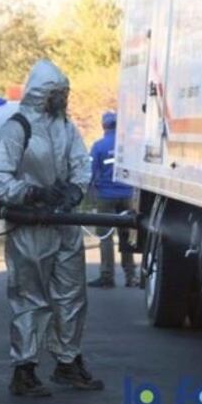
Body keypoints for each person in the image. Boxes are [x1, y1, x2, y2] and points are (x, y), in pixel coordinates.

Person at [0, 59, 103, 396]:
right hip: (30, 228)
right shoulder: (17, 128)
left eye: (65, 92)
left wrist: (75, 190)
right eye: (57, 92)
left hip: (64, 224)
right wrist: (32, 192)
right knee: (29, 298)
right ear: (41, 94)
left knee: (72, 295)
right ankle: (24, 369)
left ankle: (68, 362)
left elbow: (81, 162)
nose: (63, 98)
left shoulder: (66, 127)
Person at [87, 111, 137, 289]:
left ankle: (107, 277)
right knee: (127, 237)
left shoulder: (98, 146)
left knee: (106, 237)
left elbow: (90, 171)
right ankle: (131, 276)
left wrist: (88, 191)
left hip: (106, 196)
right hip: (127, 196)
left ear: (104, 126)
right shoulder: (129, 146)